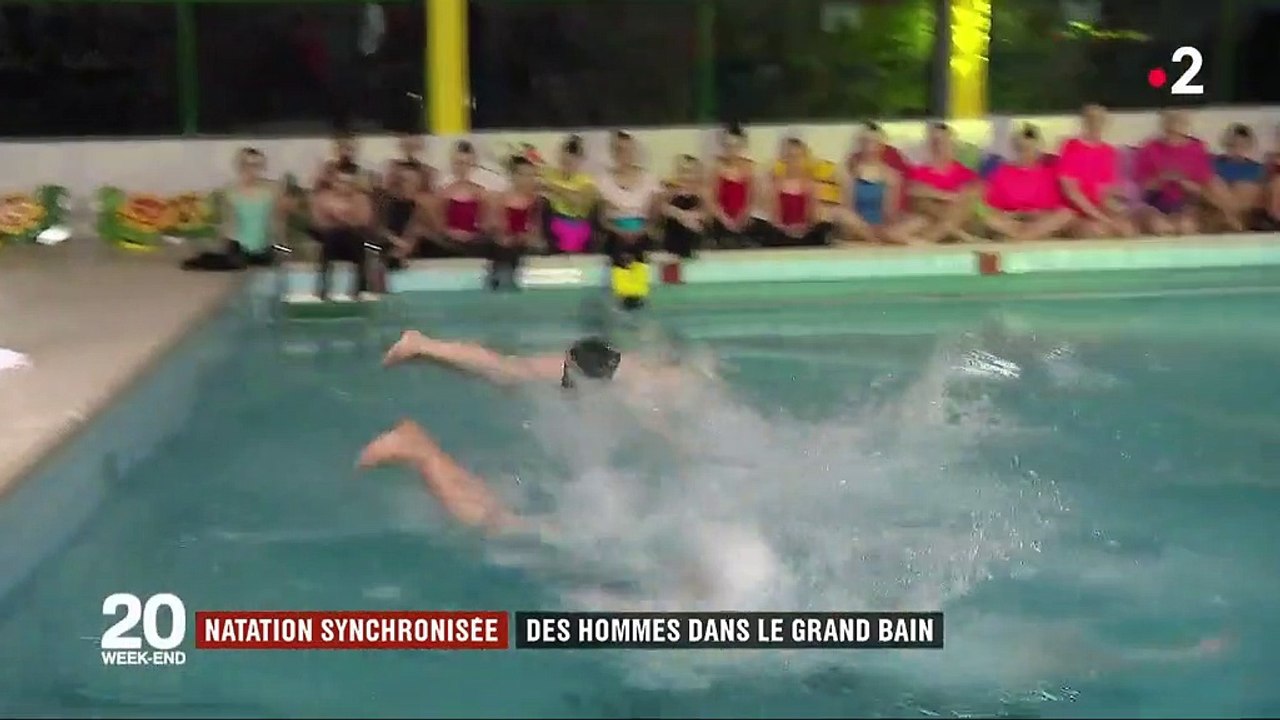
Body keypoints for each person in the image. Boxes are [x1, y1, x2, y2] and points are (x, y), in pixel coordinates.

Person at [1134, 109, 1239, 235]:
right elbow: (1144, 186)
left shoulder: (1197, 148)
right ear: (1164, 126)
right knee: (1160, 226)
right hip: (1157, 201)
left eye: (1180, 123)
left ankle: (1229, 218)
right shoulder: (1150, 148)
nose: (1174, 132)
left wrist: (1183, 182)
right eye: (1171, 125)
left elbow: (1204, 186)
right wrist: (1163, 178)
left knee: (1185, 225)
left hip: (1188, 202)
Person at [181, 147, 282, 271]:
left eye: (256, 165)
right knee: (236, 263)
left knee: (269, 261)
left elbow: (279, 219)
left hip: (264, 246)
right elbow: (223, 221)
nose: (252, 170)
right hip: (238, 245)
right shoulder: (229, 191)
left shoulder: (272, 190)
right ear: (240, 166)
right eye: (247, 165)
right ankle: (202, 260)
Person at [980, 124, 1076, 241]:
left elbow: (1063, 205)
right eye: (1022, 149)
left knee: (1066, 214)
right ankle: (1026, 235)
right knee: (988, 218)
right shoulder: (1001, 171)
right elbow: (992, 208)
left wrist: (1036, 214)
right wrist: (1015, 215)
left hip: (1043, 220)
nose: (1027, 153)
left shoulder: (1053, 169)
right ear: (1015, 148)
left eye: (1030, 148)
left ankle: (1024, 236)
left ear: (1039, 147)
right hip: (1014, 221)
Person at [1056, 104, 1136, 239]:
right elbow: (1071, 192)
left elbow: (1106, 192)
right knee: (1096, 231)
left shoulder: (1109, 151)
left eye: (1100, 119)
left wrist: (1115, 213)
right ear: (1084, 121)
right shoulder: (1071, 146)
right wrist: (1102, 218)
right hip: (1074, 211)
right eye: (1091, 119)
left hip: (1099, 208)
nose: (1095, 123)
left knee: (1127, 230)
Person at [832, 122, 919, 244]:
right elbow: (849, 207)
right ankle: (877, 238)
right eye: (865, 142)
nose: (869, 147)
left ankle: (880, 237)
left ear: (881, 146)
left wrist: (886, 227)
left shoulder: (891, 175)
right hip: (856, 226)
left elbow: (890, 214)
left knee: (917, 220)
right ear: (860, 144)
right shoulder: (850, 172)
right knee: (840, 214)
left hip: (882, 226)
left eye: (873, 142)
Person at [903, 122, 982, 244]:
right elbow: (913, 190)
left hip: (958, 220)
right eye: (935, 142)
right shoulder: (920, 172)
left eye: (943, 142)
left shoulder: (965, 173)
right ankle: (954, 232)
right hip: (931, 221)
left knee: (965, 201)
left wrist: (933, 194)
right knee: (922, 203)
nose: (939, 146)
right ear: (930, 145)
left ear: (952, 144)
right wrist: (946, 196)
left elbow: (968, 197)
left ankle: (939, 234)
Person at [311, 161, 376, 299]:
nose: (343, 185)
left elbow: (364, 221)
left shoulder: (361, 199)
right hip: (330, 238)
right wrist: (343, 218)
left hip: (353, 238)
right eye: (339, 181)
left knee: (356, 239)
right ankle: (323, 289)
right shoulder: (324, 197)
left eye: (347, 182)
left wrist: (341, 217)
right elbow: (318, 221)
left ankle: (360, 289)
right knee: (332, 237)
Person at [599, 131, 660, 272]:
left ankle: (639, 282)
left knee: (641, 251)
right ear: (613, 153)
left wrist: (642, 230)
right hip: (615, 231)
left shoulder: (649, 179)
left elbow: (655, 215)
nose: (624, 155)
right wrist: (621, 231)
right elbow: (602, 218)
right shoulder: (604, 181)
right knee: (618, 250)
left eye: (628, 150)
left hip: (642, 231)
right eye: (619, 150)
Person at [484, 155, 542, 290]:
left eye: (531, 175)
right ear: (513, 176)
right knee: (502, 249)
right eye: (523, 175)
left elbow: (536, 229)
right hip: (504, 245)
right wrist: (504, 236)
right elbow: (494, 228)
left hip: (524, 245)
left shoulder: (536, 201)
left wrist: (526, 237)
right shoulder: (499, 199)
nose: (527, 180)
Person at [423, 140, 488, 258]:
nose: (462, 168)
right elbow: (439, 223)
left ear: (472, 164)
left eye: (466, 163)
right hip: (450, 241)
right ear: (452, 164)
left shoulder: (481, 192)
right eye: (458, 163)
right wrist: (450, 233)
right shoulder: (444, 192)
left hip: (474, 242)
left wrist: (473, 235)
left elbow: (484, 222)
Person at [764, 137, 830, 247]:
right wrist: (787, 229)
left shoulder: (810, 185)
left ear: (804, 159)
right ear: (784, 159)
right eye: (790, 157)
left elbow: (814, 217)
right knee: (768, 232)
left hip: (806, 232)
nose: (794, 162)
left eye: (798, 157)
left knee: (824, 228)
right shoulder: (777, 185)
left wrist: (803, 228)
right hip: (783, 232)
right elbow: (775, 218)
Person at [706, 122, 759, 248]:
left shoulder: (749, 168)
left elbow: (752, 198)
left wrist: (742, 217)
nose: (732, 150)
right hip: (721, 219)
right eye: (728, 146)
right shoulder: (716, 167)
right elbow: (711, 200)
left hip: (744, 219)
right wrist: (725, 220)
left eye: (736, 146)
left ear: (742, 145)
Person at [541, 134, 597, 254]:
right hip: (554, 222)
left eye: (572, 159)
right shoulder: (551, 174)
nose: (567, 162)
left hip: (578, 224)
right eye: (564, 159)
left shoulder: (586, 180)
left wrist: (554, 187)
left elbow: (580, 201)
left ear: (580, 159)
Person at [1212, 123, 1266, 231]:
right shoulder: (1215, 163)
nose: (1237, 150)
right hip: (1218, 207)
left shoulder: (1257, 169)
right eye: (1233, 145)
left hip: (1245, 210)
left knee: (1245, 187)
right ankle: (1231, 220)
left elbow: (1259, 196)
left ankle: (1234, 221)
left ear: (1249, 146)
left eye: (1242, 146)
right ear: (1226, 144)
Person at [660, 154, 707, 258]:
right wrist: (680, 215)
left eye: (690, 172)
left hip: (694, 234)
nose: (686, 176)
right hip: (674, 234)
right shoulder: (670, 190)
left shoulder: (701, 192)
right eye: (683, 171)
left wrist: (695, 217)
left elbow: (705, 213)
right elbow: (662, 208)